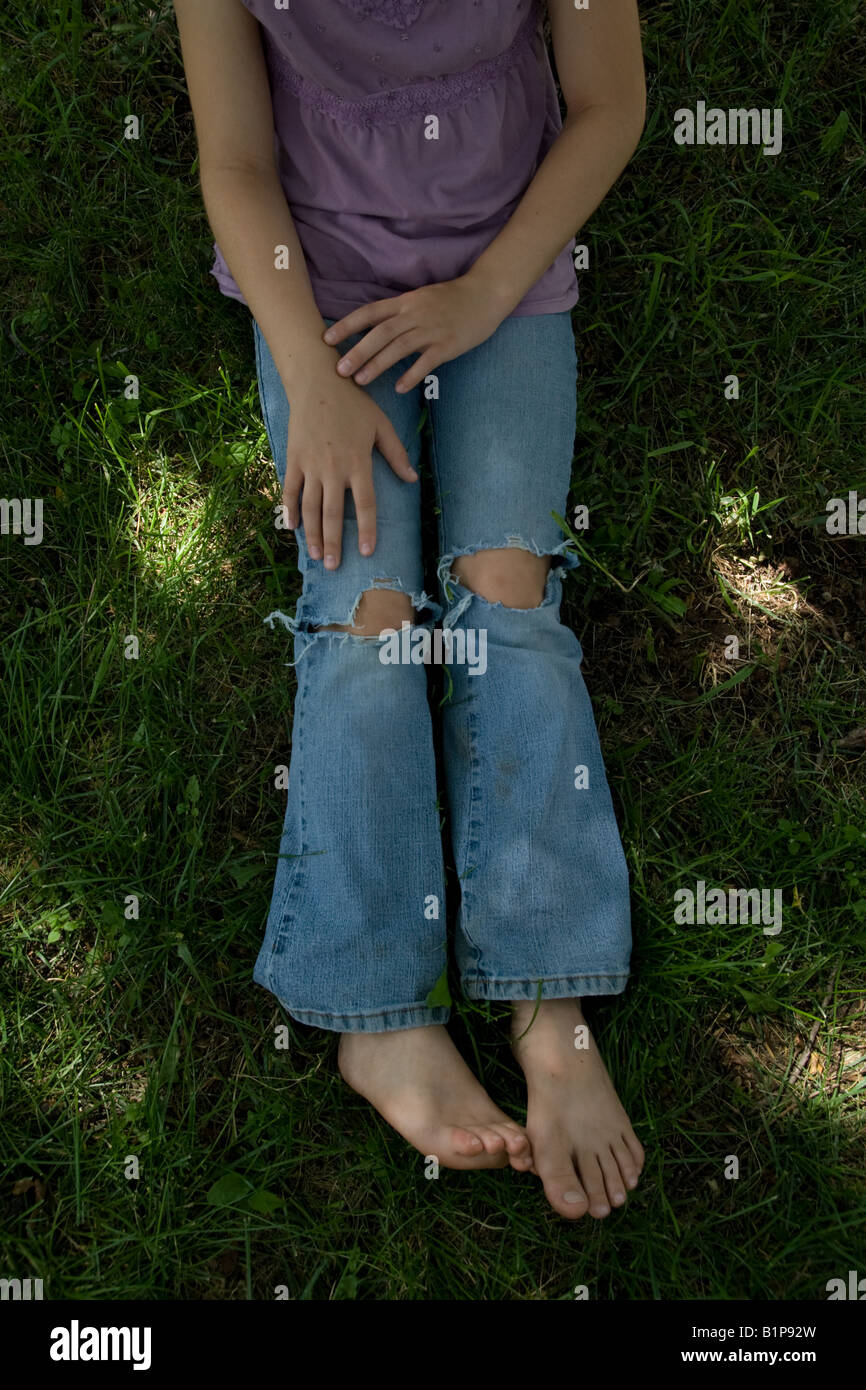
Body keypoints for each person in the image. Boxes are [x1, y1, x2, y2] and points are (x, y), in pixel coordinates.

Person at [173, 0, 646, 1220]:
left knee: (508, 594)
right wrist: (312, 381)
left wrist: (485, 295)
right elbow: (234, 161)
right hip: (318, 293)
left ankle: (549, 1005)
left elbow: (608, 104)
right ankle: (378, 1017)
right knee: (365, 615)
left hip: (503, 274)